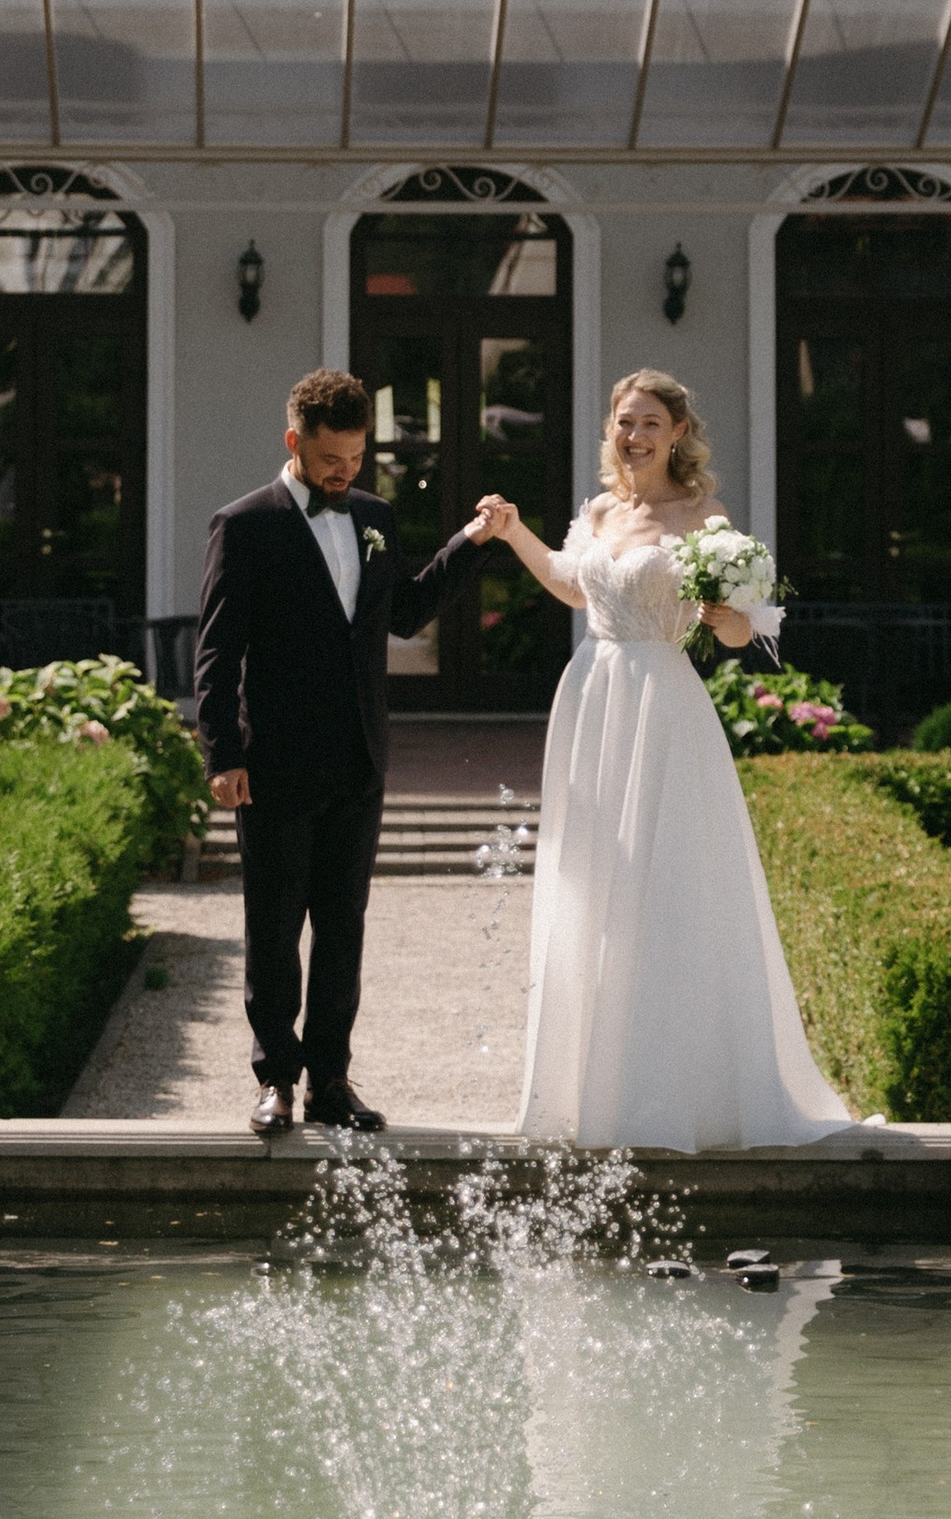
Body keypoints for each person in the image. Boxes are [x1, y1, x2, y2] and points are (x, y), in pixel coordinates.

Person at [473, 366, 863, 1153]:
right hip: (593, 697)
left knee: (669, 885)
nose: (635, 435)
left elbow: (741, 629)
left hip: (663, 702)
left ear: (678, 432)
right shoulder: (599, 511)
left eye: (650, 422)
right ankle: (592, 1091)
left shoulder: (704, 515)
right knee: (595, 883)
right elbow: (574, 588)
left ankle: (674, 1094)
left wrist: (726, 616)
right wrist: (513, 532)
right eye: (625, 421)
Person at [195, 366, 490, 1137]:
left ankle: (330, 1080)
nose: (345, 472)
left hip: (360, 760)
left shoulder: (374, 516)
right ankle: (276, 1080)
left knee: (343, 927)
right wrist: (223, 753)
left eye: (357, 458)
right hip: (274, 765)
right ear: (294, 441)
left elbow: (406, 613)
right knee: (273, 927)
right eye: (332, 459)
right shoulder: (244, 524)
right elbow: (218, 652)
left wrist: (469, 544)